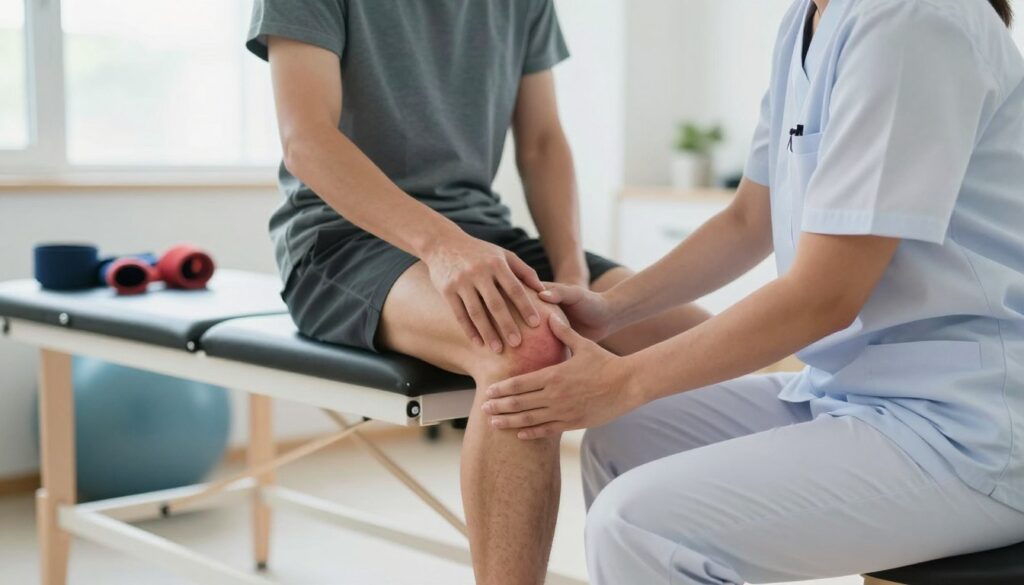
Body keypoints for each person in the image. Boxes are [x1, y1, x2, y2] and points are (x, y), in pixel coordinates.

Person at [483, 0, 1024, 582]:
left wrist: (624, 379)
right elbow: (748, 219)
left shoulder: (911, 19)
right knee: (621, 441)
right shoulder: (808, 19)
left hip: (971, 425)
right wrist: (614, 310)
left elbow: (822, 296)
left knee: (636, 525)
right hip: (858, 392)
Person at [245, 1, 708, 582]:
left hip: (484, 234)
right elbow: (306, 138)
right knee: (526, 346)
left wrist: (572, 272)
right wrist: (442, 247)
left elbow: (541, 142)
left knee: (699, 342)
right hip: (343, 239)